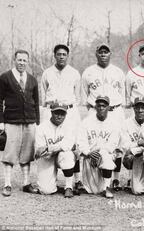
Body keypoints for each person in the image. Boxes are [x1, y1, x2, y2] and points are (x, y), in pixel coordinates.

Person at [81, 43, 126, 190]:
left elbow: (123, 95)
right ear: (96, 54)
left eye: (106, 52)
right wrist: (93, 110)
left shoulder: (118, 72)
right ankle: (97, 178)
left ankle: (116, 179)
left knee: (117, 145)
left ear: (110, 54)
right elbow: (84, 96)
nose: (103, 54)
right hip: (96, 110)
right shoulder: (88, 72)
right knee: (95, 143)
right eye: (100, 52)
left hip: (115, 109)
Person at [41, 44, 83, 193]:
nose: (61, 57)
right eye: (58, 54)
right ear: (54, 55)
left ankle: (76, 180)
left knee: (73, 144)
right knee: (53, 142)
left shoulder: (74, 73)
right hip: (52, 110)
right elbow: (44, 95)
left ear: (67, 56)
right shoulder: (47, 73)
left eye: (64, 54)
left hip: (69, 110)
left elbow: (78, 96)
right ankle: (50, 177)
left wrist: (69, 106)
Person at [0, 49, 40, 197]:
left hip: (29, 122)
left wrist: (37, 122)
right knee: (9, 153)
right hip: (11, 121)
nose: (22, 63)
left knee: (27, 154)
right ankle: (7, 184)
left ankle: (25, 183)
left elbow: (36, 102)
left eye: (24, 60)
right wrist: (1, 122)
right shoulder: (5, 77)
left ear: (27, 62)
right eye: (19, 60)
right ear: (14, 60)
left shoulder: (32, 79)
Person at [77, 96, 120, 198]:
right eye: (99, 105)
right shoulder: (86, 122)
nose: (101, 108)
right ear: (95, 107)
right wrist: (88, 153)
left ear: (108, 107)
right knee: (93, 191)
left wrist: (99, 152)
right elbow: (81, 142)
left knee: (106, 155)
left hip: (105, 157)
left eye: (104, 106)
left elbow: (112, 145)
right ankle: (101, 186)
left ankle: (106, 187)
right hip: (89, 158)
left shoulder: (114, 123)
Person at [35, 103, 76, 198]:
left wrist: (50, 148)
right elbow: (40, 150)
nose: (59, 116)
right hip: (47, 158)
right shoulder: (41, 127)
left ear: (66, 114)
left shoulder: (69, 126)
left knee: (67, 155)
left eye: (62, 114)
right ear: (51, 112)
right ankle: (52, 183)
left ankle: (68, 187)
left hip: (61, 155)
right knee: (46, 190)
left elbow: (69, 145)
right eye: (57, 113)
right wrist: (56, 148)